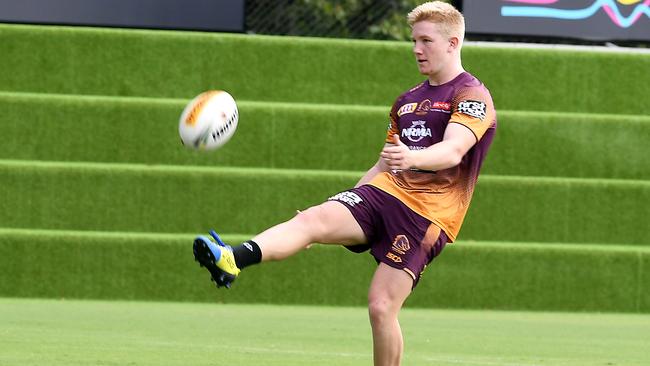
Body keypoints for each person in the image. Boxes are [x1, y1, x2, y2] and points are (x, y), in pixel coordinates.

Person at [192, 2, 497, 365]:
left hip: (428, 215)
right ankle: (231, 258)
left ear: (453, 42)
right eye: (414, 40)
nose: (416, 48)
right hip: (384, 193)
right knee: (311, 221)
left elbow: (452, 151)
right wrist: (346, 197)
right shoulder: (407, 101)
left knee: (381, 307)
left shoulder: (471, 95)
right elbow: (384, 162)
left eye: (426, 40)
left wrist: (412, 158)